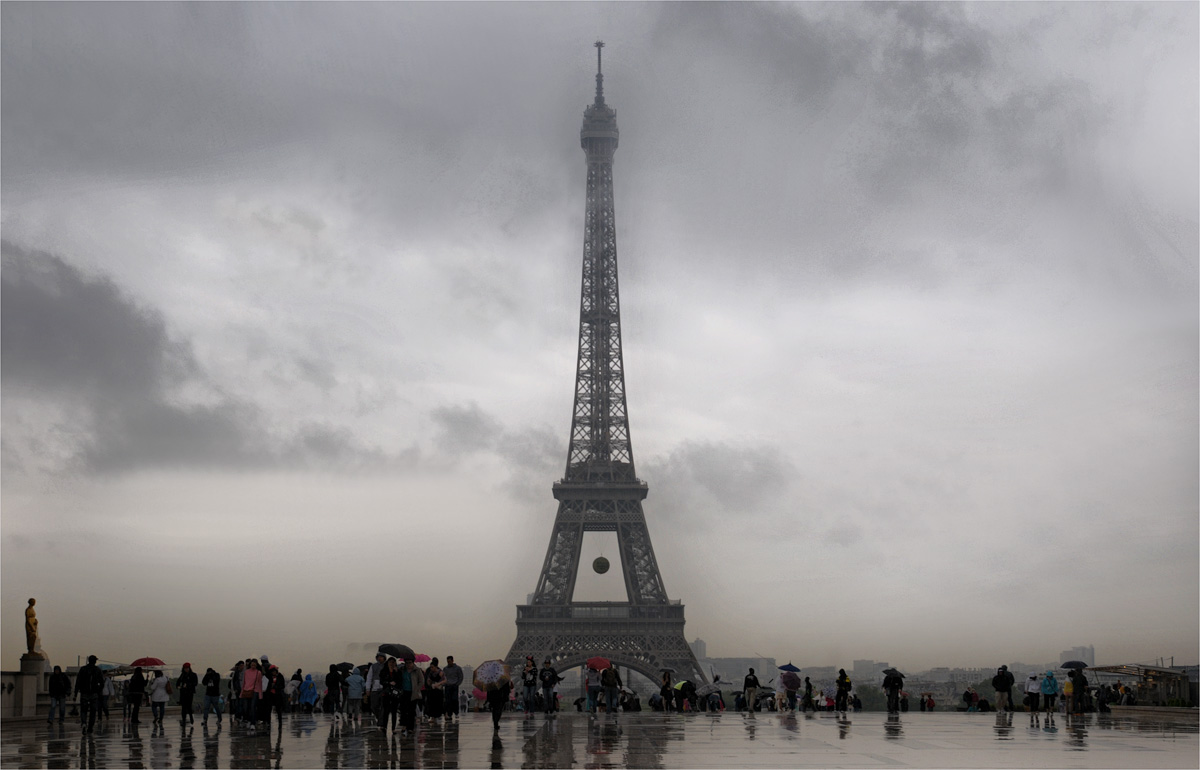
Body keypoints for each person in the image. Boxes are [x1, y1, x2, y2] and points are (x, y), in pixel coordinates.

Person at [74, 654, 105, 733]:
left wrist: (75, 693)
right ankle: (90, 727)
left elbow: (78, 682)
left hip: (84, 693)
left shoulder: (83, 669)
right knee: (93, 711)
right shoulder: (98, 670)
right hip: (94, 694)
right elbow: (102, 683)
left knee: (83, 710)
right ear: (95, 661)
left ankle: (84, 723)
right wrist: (99, 691)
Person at [398, 656, 425, 737]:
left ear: (413, 663)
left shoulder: (417, 670)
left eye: (410, 662)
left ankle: (410, 727)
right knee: (403, 709)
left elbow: (421, 681)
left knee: (411, 710)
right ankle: (404, 725)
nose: (408, 664)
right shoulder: (402, 670)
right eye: (407, 663)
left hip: (413, 693)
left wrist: (417, 689)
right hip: (404, 692)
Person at [379, 657, 403, 733]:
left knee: (394, 711)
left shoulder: (398, 671)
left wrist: (396, 673)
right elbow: (381, 681)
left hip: (395, 693)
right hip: (386, 692)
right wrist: (388, 683)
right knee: (386, 710)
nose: (392, 664)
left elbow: (400, 681)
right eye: (390, 662)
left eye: (393, 662)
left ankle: (393, 728)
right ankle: (384, 726)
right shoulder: (384, 671)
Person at [365, 652, 387, 724]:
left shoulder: (387, 666)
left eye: (381, 657)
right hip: (375, 689)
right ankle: (379, 717)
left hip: (384, 689)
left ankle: (381, 721)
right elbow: (369, 677)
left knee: (383, 706)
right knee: (374, 706)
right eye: (378, 657)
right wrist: (368, 689)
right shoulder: (373, 666)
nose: (380, 658)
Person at [240, 659, 263, 726]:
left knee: (253, 707)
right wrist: (241, 692)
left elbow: (260, 684)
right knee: (246, 707)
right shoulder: (246, 672)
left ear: (256, 665)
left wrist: (260, 694)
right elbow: (244, 682)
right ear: (250, 664)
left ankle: (253, 723)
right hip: (246, 691)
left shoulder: (258, 672)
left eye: (254, 664)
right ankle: (248, 720)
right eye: (252, 664)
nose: (253, 665)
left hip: (255, 691)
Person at [443, 655, 464, 723]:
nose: (448, 663)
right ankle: (449, 714)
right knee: (448, 701)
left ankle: (456, 712)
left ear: (452, 661)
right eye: (447, 662)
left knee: (454, 699)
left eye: (449, 661)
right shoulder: (445, 669)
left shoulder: (458, 668)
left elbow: (461, 677)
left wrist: (457, 684)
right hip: (448, 686)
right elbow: (443, 677)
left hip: (454, 686)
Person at [425, 658, 445, 722]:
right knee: (432, 703)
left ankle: (437, 716)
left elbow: (444, 680)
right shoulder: (430, 672)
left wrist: (438, 683)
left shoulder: (440, 672)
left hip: (438, 690)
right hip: (432, 690)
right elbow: (428, 680)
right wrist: (429, 683)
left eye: (432, 667)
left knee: (438, 703)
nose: (431, 668)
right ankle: (433, 717)